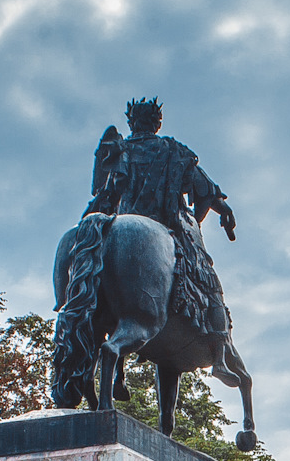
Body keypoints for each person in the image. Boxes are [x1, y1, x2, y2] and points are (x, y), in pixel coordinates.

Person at [86, 98, 238, 381]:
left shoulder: (119, 149)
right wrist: (224, 209)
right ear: (157, 123)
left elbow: (103, 194)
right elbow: (204, 186)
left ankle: (105, 365)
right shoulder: (172, 150)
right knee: (210, 281)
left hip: (117, 226)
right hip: (166, 228)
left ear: (132, 122)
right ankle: (219, 353)